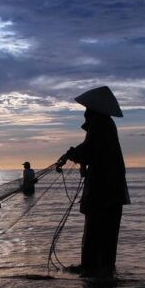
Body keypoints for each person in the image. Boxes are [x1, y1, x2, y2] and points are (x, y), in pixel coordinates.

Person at [55, 86, 129, 278]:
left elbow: (89, 150)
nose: (85, 114)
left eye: (87, 110)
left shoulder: (100, 124)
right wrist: (74, 156)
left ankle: (92, 271)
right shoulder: (104, 124)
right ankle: (103, 272)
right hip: (111, 190)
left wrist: (71, 154)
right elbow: (92, 151)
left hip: (104, 191)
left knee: (96, 231)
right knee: (106, 234)